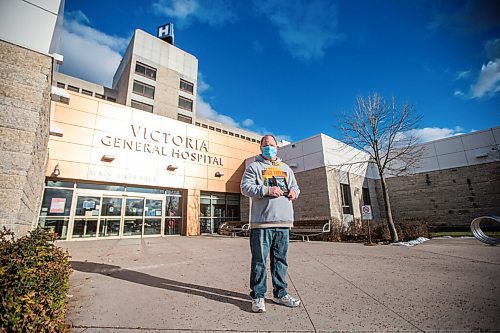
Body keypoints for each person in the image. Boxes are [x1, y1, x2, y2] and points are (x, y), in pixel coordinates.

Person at [240, 134, 301, 313]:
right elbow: (245, 188)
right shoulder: (254, 167)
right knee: (259, 261)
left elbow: (296, 187)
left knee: (280, 261)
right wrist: (267, 189)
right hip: (262, 223)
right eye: (265, 145)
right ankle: (258, 296)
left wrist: (294, 192)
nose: (269, 147)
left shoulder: (286, 168)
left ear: (277, 147)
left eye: (272, 145)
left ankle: (280, 294)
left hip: (283, 223)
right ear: (261, 148)